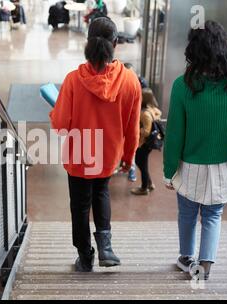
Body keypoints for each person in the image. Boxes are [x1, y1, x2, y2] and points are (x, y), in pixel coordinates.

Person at [163, 21, 227, 280]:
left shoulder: (183, 86)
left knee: (186, 213)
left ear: (194, 53)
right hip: (226, 167)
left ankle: (186, 258)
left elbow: (174, 134)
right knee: (212, 215)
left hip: (190, 167)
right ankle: (205, 265)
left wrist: (169, 170)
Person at [50, 17, 142, 272]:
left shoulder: (73, 80)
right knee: (101, 192)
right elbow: (131, 126)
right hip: (108, 154)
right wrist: (128, 156)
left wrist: (55, 112)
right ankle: (106, 247)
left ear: (88, 42)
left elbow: (59, 124)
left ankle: (85, 256)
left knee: (80, 205)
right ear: (115, 43)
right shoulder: (130, 81)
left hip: (79, 155)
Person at [131, 88, 162, 195]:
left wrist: (137, 129)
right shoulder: (154, 109)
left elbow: (147, 132)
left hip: (144, 143)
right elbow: (158, 113)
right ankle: (149, 184)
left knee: (141, 164)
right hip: (148, 144)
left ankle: (144, 188)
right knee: (142, 163)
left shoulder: (145, 113)